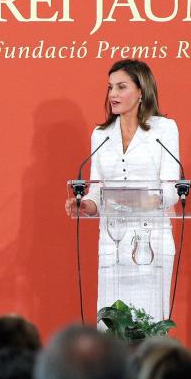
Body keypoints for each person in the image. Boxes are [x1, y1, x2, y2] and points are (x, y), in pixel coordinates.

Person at [64, 59, 181, 320]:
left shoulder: (164, 129)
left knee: (147, 323)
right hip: (112, 242)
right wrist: (86, 204)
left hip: (152, 242)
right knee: (111, 327)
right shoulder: (101, 134)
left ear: (141, 91)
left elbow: (172, 189)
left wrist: (137, 201)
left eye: (121, 87)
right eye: (110, 88)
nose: (113, 94)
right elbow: (97, 189)